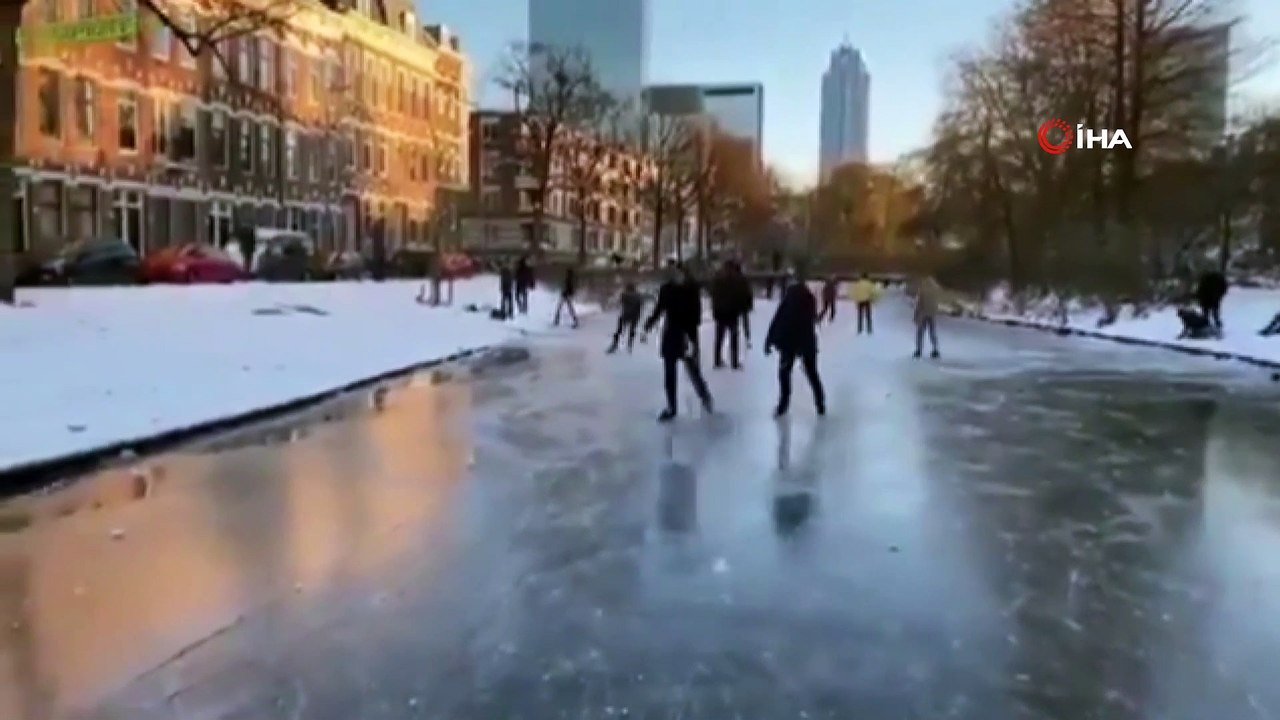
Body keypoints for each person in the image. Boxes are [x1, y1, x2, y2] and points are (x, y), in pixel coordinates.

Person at [645, 262, 714, 422]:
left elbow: (696, 313)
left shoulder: (691, 289)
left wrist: (690, 334)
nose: (675, 275)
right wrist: (650, 323)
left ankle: (705, 396)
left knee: (692, 369)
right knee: (669, 371)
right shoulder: (667, 289)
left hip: (687, 333)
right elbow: (660, 308)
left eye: (677, 272)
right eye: (672, 272)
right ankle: (672, 406)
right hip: (671, 332)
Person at [765, 271, 826, 417]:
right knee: (812, 372)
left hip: (789, 342)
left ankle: (783, 404)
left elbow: (778, 319)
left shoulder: (789, 299)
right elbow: (811, 320)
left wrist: (770, 339)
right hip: (806, 341)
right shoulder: (809, 299)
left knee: (784, 373)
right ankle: (820, 402)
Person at [710, 261, 749, 369]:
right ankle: (734, 362)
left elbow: (713, 295)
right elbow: (742, 296)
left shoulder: (718, 279)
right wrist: (742, 309)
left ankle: (717, 360)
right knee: (734, 337)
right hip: (732, 313)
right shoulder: (738, 280)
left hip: (720, 312)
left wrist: (714, 310)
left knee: (719, 337)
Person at [608, 281, 646, 353]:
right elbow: (641, 304)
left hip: (626, 314)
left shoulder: (624, 294)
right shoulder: (639, 295)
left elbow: (621, 302)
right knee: (632, 330)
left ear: (627, 288)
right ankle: (630, 345)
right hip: (635, 315)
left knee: (619, 330)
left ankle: (614, 344)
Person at [913, 276, 944, 358]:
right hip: (932, 313)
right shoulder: (937, 288)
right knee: (932, 332)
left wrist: (916, 315)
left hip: (923, 313)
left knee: (920, 333)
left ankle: (919, 350)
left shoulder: (923, 289)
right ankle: (935, 349)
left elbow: (919, 303)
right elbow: (937, 301)